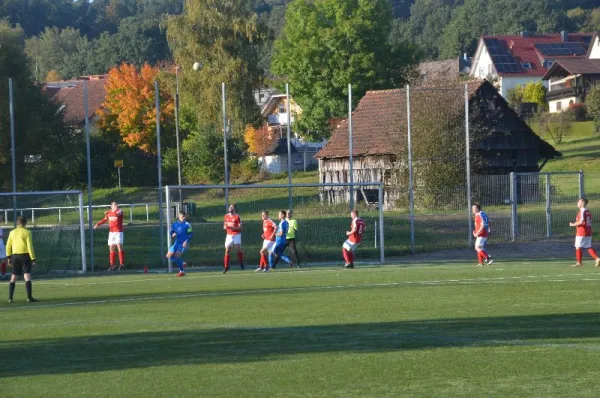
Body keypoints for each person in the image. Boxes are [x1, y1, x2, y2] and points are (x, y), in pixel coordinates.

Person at [5, 216, 38, 303]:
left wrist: (8, 257)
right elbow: (29, 246)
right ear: (25, 223)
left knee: (14, 276)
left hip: (15, 256)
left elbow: (8, 246)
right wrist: (33, 258)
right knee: (27, 275)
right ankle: (29, 297)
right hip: (25, 256)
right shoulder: (27, 232)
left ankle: (10, 298)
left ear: (17, 223)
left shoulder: (12, 232)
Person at [94, 201, 125, 271]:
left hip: (118, 232)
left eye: (117, 204)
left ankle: (122, 264)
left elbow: (117, 214)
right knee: (111, 247)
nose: (116, 205)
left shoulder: (120, 211)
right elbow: (104, 219)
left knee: (119, 246)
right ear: (111, 206)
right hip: (111, 233)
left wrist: (109, 213)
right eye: (115, 205)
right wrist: (97, 224)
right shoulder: (109, 212)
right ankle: (112, 264)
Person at [569, 197, 600, 267]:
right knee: (588, 246)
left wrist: (573, 224)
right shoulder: (587, 211)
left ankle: (579, 262)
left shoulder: (583, 211)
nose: (577, 203)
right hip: (588, 232)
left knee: (578, 246)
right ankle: (597, 258)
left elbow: (581, 221)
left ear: (583, 203)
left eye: (579, 202)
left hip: (581, 232)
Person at [167, 211, 193, 277]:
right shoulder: (175, 224)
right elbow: (171, 231)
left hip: (183, 244)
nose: (184, 217)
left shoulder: (187, 225)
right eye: (182, 216)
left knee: (176, 256)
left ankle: (182, 271)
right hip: (177, 243)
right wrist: (173, 234)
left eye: (185, 216)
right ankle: (182, 263)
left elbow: (191, 234)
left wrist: (186, 241)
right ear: (179, 216)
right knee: (168, 256)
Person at [223, 204, 244, 273]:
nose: (230, 208)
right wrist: (225, 227)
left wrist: (233, 228)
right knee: (227, 250)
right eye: (229, 207)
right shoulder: (226, 216)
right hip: (229, 235)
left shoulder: (237, 217)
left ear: (234, 209)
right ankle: (226, 266)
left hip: (236, 234)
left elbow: (240, 227)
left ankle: (241, 264)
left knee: (238, 249)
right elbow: (225, 225)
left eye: (231, 207)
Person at [0, 214, 7, 280]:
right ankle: (3, 275)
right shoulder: (1, 228)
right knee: (3, 260)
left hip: (1, 245)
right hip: (1, 245)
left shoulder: (1, 228)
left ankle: (3, 275)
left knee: (3, 260)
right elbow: (2, 236)